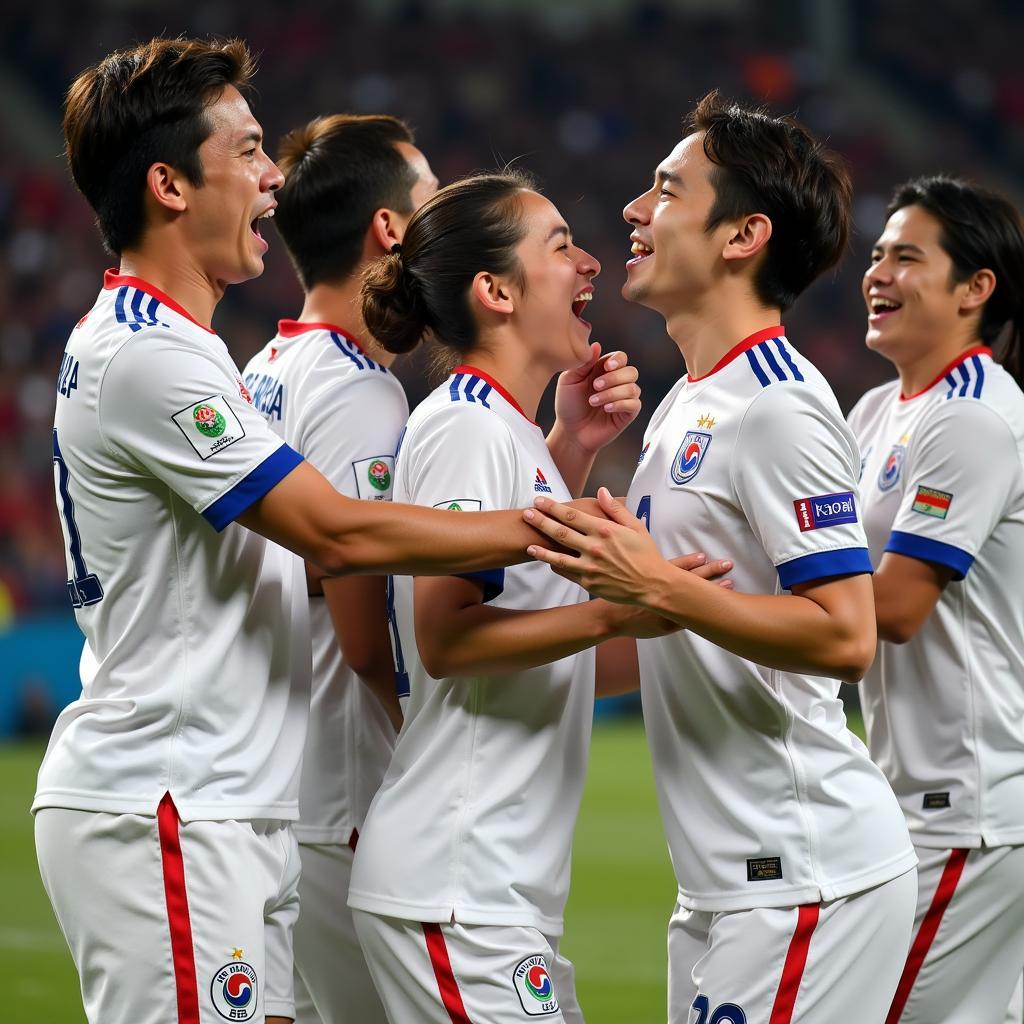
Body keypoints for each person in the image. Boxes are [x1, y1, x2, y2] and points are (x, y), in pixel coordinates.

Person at [33, 38, 619, 1024]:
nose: (274, 179)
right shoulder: (154, 357)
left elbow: (293, 562)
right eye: (251, 151)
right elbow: (339, 541)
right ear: (170, 184)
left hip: (229, 799)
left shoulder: (205, 352)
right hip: (174, 796)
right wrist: (551, 533)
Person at [524, 92, 919, 1023]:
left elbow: (846, 633)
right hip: (727, 885)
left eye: (666, 190)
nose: (633, 211)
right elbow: (671, 637)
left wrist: (653, 581)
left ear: (743, 236)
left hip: (804, 878)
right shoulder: (687, 405)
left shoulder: (778, 406)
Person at [345, 171, 716, 1024]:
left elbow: (559, 661)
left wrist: (569, 452)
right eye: (559, 246)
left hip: (488, 888)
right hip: (457, 883)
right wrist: (619, 607)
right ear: (496, 291)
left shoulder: (506, 431)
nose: (590, 263)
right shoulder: (469, 425)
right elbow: (449, 639)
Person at [242, 112, 436, 1024]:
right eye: (432, 199)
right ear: (389, 231)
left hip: (280, 780)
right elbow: (367, 638)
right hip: (348, 793)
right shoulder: (361, 392)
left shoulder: (264, 367)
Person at [847, 175, 1024, 1024]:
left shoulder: (975, 415)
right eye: (877, 255)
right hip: (922, 792)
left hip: (968, 802)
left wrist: (686, 596)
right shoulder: (880, 409)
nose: (877, 273)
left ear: (974, 288)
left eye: (907, 257)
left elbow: (895, 609)